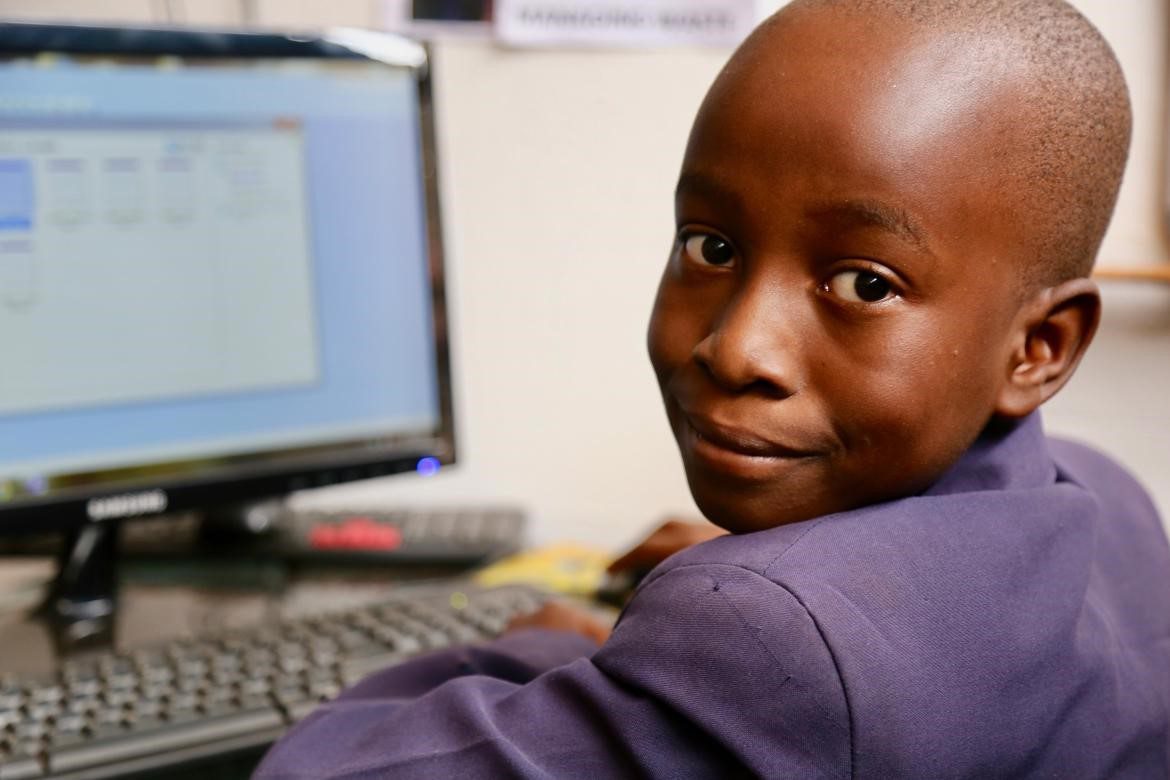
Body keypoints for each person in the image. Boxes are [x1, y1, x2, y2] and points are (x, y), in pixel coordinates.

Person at [254, 0, 1170, 776]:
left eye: (864, 284)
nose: (737, 350)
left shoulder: (760, 645)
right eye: (711, 247)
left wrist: (551, 648)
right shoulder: (1109, 500)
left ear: (1040, 347)